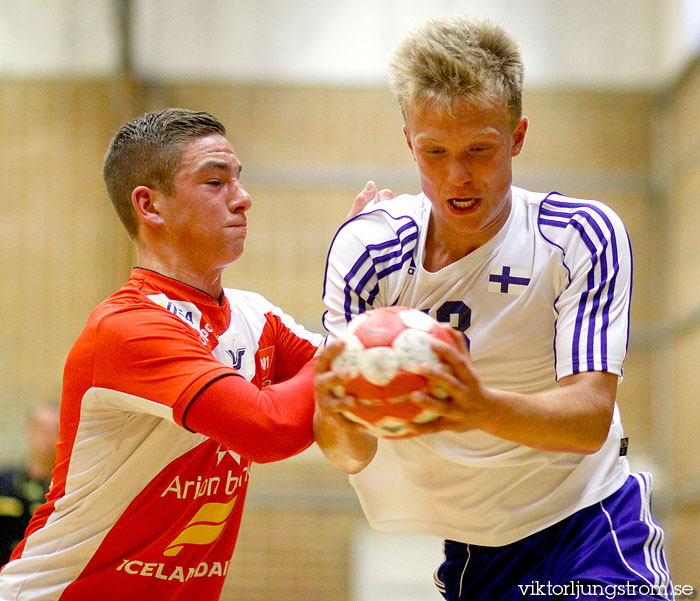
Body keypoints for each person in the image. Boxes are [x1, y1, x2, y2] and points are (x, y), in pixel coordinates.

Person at [314, 15, 674, 601]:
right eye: (434, 152)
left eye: (480, 149)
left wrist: (474, 406)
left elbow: (588, 418)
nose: (458, 176)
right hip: (474, 553)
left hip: (588, 527)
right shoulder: (368, 251)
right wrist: (334, 410)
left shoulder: (580, 235)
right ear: (409, 141)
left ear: (518, 137)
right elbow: (349, 453)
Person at [0, 108, 386, 601]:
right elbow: (271, 429)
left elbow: (348, 380)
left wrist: (374, 319)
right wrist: (360, 313)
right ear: (150, 206)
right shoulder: (127, 328)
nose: (243, 199)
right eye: (214, 182)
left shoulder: (257, 317)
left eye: (238, 180)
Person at [0, 403, 60, 566]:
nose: (47, 439)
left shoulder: (65, 491)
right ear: (30, 431)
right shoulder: (4, 481)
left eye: (55, 431)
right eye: (42, 430)